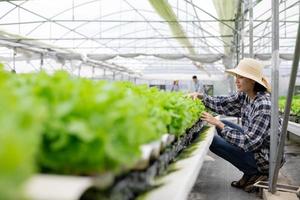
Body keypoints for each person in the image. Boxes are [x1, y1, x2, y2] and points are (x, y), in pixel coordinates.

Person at [190, 58, 283, 192]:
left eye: (241, 77)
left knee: (213, 141)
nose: (236, 80)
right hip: (259, 148)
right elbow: (223, 103)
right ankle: (250, 172)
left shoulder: (263, 105)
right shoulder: (246, 96)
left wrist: (218, 123)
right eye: (236, 76)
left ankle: (254, 171)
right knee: (223, 124)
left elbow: (249, 142)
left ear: (252, 80)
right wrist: (201, 97)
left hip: (266, 160)